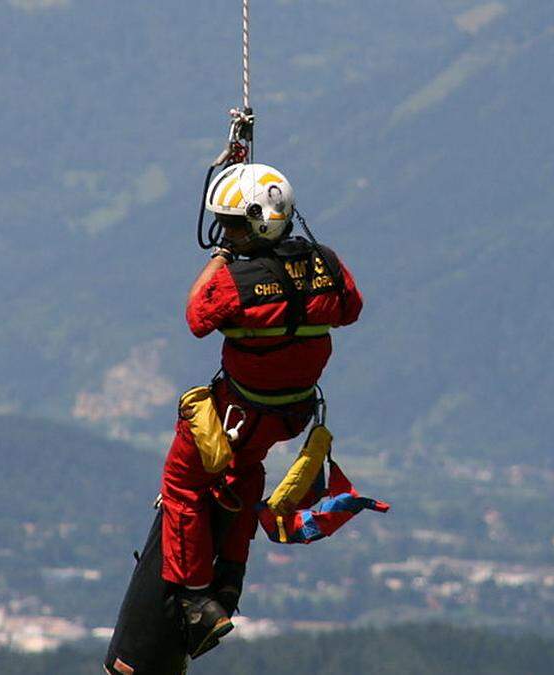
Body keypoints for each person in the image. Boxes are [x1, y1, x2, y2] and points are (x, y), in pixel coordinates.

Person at [160, 163, 363, 658]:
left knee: (183, 485)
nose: (224, 234)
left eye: (231, 224)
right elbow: (351, 309)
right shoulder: (328, 266)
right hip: (290, 414)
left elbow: (196, 315)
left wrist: (222, 256)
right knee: (244, 478)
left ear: (257, 224)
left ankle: (192, 601)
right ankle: (228, 587)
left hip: (239, 411)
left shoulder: (237, 279)